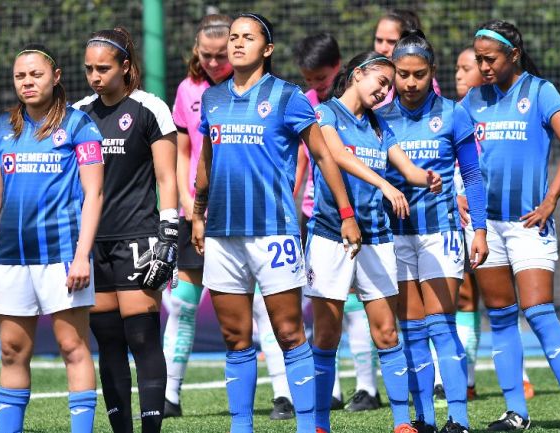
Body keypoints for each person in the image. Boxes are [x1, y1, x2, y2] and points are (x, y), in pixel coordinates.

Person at [191, 13, 361, 433]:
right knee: (235, 338)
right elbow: (206, 161)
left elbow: (323, 156)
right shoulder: (212, 99)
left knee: (288, 333)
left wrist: (345, 214)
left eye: (247, 37)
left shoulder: (288, 96)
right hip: (221, 235)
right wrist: (197, 212)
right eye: (233, 37)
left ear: (267, 49)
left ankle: (308, 427)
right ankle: (241, 428)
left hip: (275, 232)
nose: (237, 43)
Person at [163, 13, 296, 421]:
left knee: (261, 307)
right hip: (203, 210)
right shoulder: (190, 91)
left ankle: (283, 394)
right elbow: (186, 151)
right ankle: (169, 395)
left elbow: (297, 151)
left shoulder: (266, 91)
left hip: (256, 210)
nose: (216, 62)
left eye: (222, 54)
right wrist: (190, 204)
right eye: (208, 55)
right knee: (184, 303)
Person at [462, 20, 560, 432]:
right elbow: (454, 152)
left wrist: (551, 199)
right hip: (487, 227)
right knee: (499, 317)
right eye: (478, 58)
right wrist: (457, 193)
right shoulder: (472, 100)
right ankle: (516, 412)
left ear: (512, 56)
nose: (482, 65)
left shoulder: (539, 91)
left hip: (528, 223)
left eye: (489, 58)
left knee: (539, 312)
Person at [0, 44, 104, 433]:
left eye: (36, 74)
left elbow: (94, 194)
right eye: (20, 76)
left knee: (72, 348)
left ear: (56, 76)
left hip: (64, 256)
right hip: (11, 258)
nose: (27, 82)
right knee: (12, 352)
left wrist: (83, 256)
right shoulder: (2, 128)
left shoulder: (80, 126)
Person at [307, 51, 441, 433]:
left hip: (377, 237)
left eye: (388, 87)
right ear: (357, 74)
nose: (384, 91)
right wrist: (384, 184)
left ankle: (401, 423)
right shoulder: (326, 113)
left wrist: (427, 177)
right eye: (381, 82)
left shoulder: (382, 127)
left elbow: (409, 170)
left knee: (387, 332)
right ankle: (319, 424)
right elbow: (334, 154)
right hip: (331, 233)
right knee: (327, 335)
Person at [378, 30, 489, 433]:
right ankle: (423, 418)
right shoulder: (380, 118)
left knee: (441, 325)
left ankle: (457, 418)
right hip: (396, 236)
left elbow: (473, 177)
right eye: (403, 75)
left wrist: (479, 230)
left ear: (432, 72)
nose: (410, 83)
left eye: (419, 74)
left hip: (440, 234)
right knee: (411, 331)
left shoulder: (455, 113)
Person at [73, 26, 178, 433]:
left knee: (142, 338)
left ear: (126, 67)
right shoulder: (79, 114)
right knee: (109, 341)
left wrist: (169, 235)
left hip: (139, 238)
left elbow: (167, 178)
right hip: (93, 243)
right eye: (89, 69)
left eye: (103, 68)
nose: (95, 76)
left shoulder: (150, 108)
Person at [293, 32, 382, 412]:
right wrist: (296, 202)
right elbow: (301, 159)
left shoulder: (367, 105)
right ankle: (329, 390)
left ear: (340, 69)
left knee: (359, 304)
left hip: (359, 216)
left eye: (321, 79)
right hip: (320, 215)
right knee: (326, 307)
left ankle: (367, 386)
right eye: (309, 80)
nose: (315, 87)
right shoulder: (308, 105)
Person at [452, 47, 535, 402]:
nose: (460, 74)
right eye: (457, 67)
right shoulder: (453, 112)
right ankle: (466, 380)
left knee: (501, 302)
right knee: (466, 299)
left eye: (466, 67)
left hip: (494, 222)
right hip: (458, 217)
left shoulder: (495, 115)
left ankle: (521, 375)